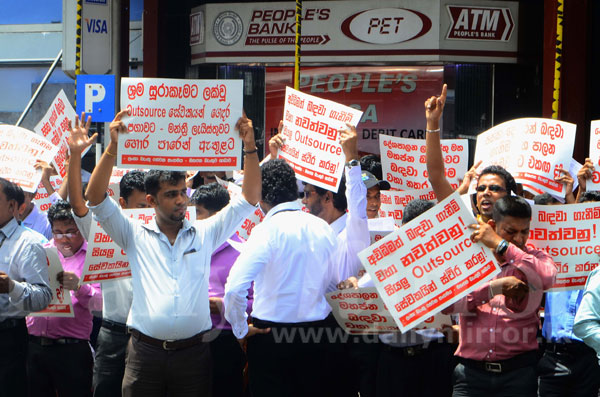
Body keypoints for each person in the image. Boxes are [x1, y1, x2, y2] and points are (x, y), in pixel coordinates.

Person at [85, 109, 261, 396]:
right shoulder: (132, 233)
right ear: (152, 200)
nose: (181, 200)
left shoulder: (206, 232)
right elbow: (94, 199)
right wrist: (112, 150)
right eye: (171, 194)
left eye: (182, 192)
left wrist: (250, 147)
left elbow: (250, 197)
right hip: (144, 356)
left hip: (193, 356)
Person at [224, 158, 338, 397]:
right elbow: (332, 286)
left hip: (272, 340)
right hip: (317, 337)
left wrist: (240, 328)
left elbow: (235, 288)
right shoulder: (323, 228)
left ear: (260, 196)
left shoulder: (265, 231)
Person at [66, 112, 150, 397]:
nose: (146, 214)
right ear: (122, 203)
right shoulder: (104, 230)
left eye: (150, 205)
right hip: (114, 333)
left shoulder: (166, 234)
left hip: (151, 335)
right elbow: (78, 203)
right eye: (140, 206)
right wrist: (75, 156)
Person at [443, 196, 556, 396]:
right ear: (493, 226)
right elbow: (448, 305)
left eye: (525, 232)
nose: (519, 239)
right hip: (470, 376)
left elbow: (546, 278)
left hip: (518, 374)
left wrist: (504, 246)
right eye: (511, 232)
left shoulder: (535, 258)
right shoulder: (470, 260)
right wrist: (493, 289)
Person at [26, 200, 102, 397]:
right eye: (58, 232)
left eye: (71, 231)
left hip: (71, 352)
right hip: (35, 347)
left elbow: (100, 305)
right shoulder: (41, 252)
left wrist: (79, 287)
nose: (64, 238)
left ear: (82, 229)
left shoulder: (94, 257)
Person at [191, 182, 252, 397]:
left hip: (226, 340)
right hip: (191, 338)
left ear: (219, 216)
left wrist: (224, 306)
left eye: (198, 212)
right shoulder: (187, 247)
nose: (193, 219)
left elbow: (256, 300)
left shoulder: (244, 251)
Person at [0, 177, 52, 396]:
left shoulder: (29, 242)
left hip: (8, 341)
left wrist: (11, 287)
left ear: (12, 206)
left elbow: (43, 296)